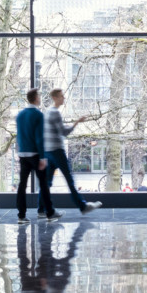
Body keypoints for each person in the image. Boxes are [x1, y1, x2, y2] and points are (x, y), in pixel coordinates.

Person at [42, 88, 101, 217]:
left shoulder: (47, 112)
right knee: (69, 180)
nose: (64, 98)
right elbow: (64, 132)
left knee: (47, 183)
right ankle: (83, 206)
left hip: (48, 152)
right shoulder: (55, 113)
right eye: (62, 96)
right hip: (57, 151)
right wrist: (77, 123)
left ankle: (43, 210)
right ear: (55, 98)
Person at [14, 88, 53, 221]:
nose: (40, 98)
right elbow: (39, 138)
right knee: (43, 183)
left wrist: (19, 151)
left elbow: (19, 136)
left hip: (23, 154)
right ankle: (50, 213)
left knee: (22, 185)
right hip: (35, 154)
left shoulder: (20, 115)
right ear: (36, 98)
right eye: (39, 96)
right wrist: (43, 157)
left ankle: (21, 216)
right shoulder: (38, 115)